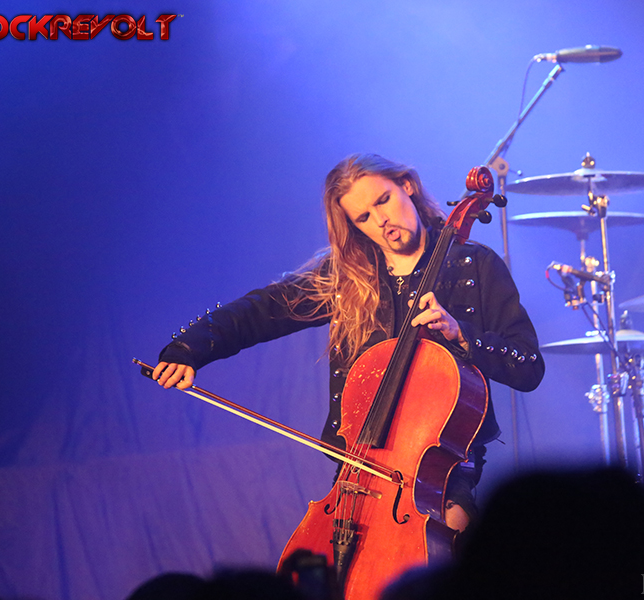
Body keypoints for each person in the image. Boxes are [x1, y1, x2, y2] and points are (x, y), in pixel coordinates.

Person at [153, 153, 544, 531]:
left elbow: (527, 365)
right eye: (363, 217)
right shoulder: (348, 277)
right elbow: (260, 310)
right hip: (359, 469)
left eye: (383, 200)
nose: (381, 220)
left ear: (406, 186)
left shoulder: (474, 264)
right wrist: (190, 348)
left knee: (445, 545)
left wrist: (462, 335)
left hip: (444, 472)